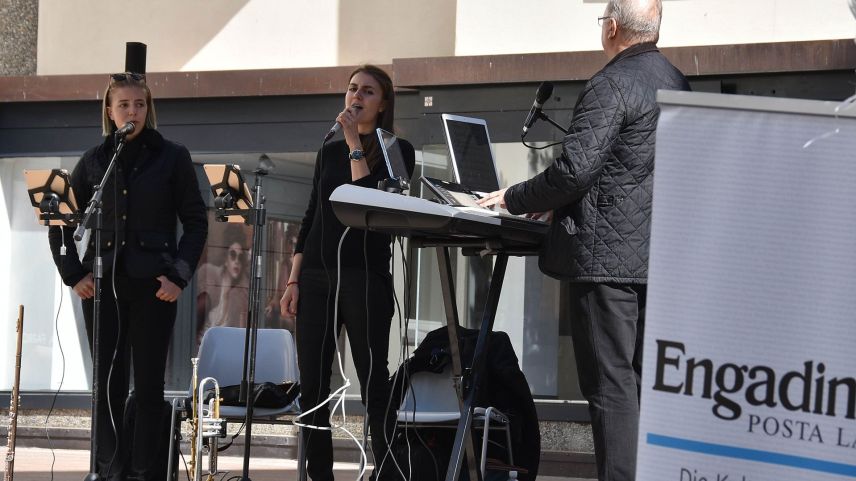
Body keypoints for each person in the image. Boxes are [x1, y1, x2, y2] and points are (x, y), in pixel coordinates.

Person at [478, 1, 690, 479]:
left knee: (611, 389)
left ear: (612, 27)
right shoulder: (679, 82)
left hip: (607, 262)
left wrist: (511, 197)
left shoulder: (610, 83)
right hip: (659, 258)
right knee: (642, 385)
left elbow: (575, 170)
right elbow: (636, 169)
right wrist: (559, 200)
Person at [48, 72, 208, 481]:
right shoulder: (93, 161)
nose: (132, 112)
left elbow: (195, 223)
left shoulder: (173, 156)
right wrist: (73, 274)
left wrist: (179, 276)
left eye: (139, 105)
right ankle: (107, 469)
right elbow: (60, 222)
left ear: (148, 108)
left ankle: (143, 471)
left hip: (155, 288)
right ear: (109, 110)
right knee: (106, 385)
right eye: (124, 105)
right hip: (102, 288)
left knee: (150, 385)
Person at [279, 64, 415, 481]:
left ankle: (387, 471)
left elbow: (368, 201)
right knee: (313, 386)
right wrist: (293, 279)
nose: (356, 97)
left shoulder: (397, 150)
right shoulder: (328, 150)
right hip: (318, 277)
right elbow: (311, 216)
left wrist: (355, 140)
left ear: (384, 103)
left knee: (373, 382)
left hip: (365, 276)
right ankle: (318, 475)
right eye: (352, 89)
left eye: (368, 92)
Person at [196, 223, 250, 344]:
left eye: (240, 257)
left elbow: (241, 331)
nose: (237, 261)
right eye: (233, 255)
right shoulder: (209, 273)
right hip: (202, 345)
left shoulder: (242, 290)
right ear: (226, 258)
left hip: (227, 344)